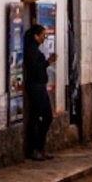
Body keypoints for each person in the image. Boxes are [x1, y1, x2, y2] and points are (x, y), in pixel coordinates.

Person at [22, 23, 56, 161]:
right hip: (35, 86)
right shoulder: (31, 51)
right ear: (36, 36)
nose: (44, 38)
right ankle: (33, 149)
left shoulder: (35, 50)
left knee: (46, 116)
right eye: (42, 35)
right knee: (36, 118)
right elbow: (35, 68)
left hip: (40, 85)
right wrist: (47, 62)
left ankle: (40, 147)